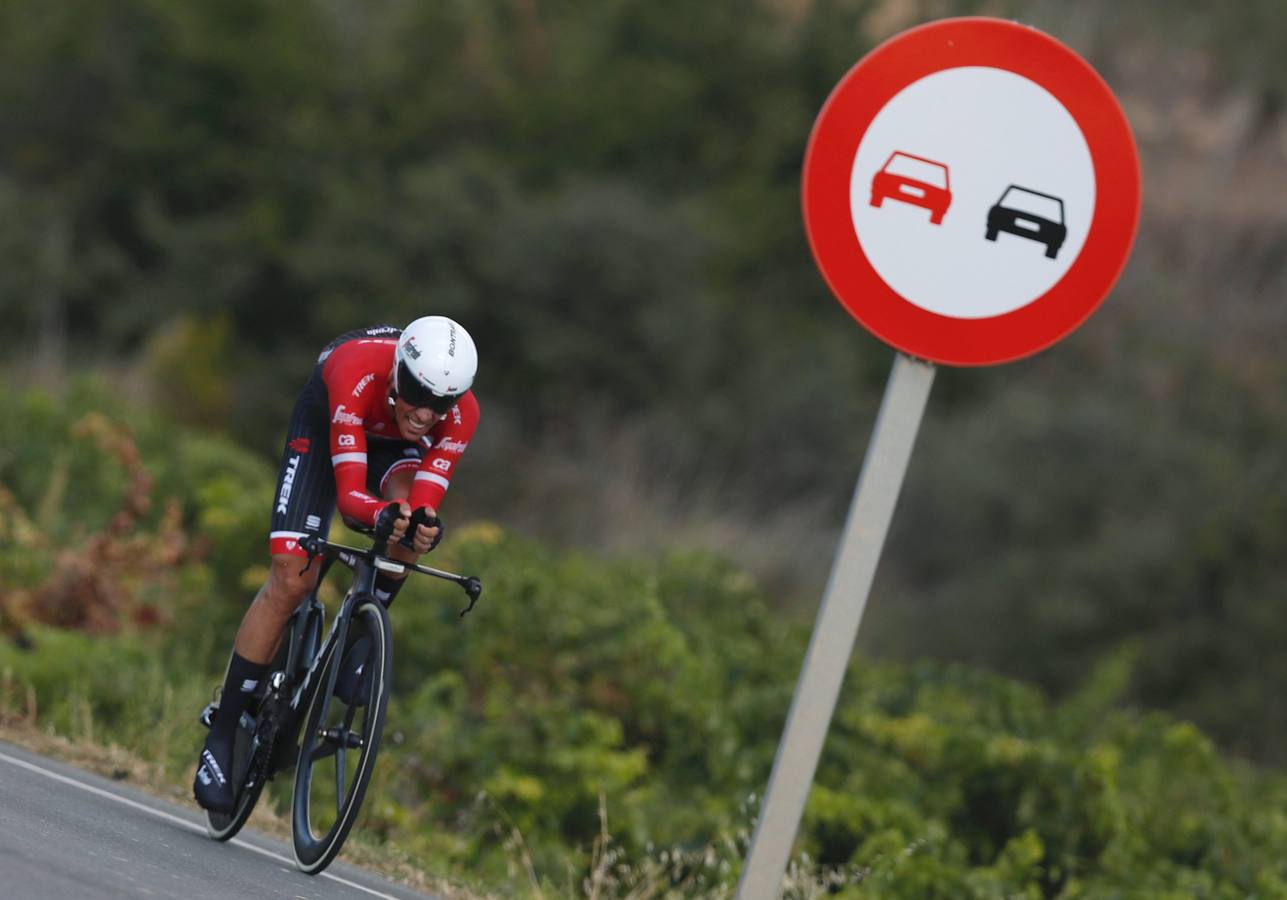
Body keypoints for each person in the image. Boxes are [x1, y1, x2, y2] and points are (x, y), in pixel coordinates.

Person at [192, 316, 480, 812]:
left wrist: (422, 526)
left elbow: (429, 492)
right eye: (416, 392)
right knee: (291, 578)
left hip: (394, 453)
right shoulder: (356, 370)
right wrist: (379, 513)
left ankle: (362, 637)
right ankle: (223, 731)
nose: (426, 412)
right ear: (397, 370)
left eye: (441, 403)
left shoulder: (461, 414)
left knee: (413, 521)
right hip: (331, 425)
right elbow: (350, 503)